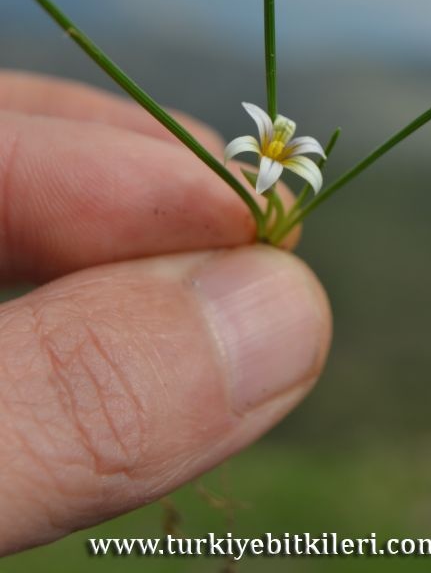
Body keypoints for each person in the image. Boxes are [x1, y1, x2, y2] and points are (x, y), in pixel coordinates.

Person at [0, 70, 331, 556]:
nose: (276, 146)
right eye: (271, 144)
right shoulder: (260, 151)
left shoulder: (276, 159)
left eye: (281, 146)